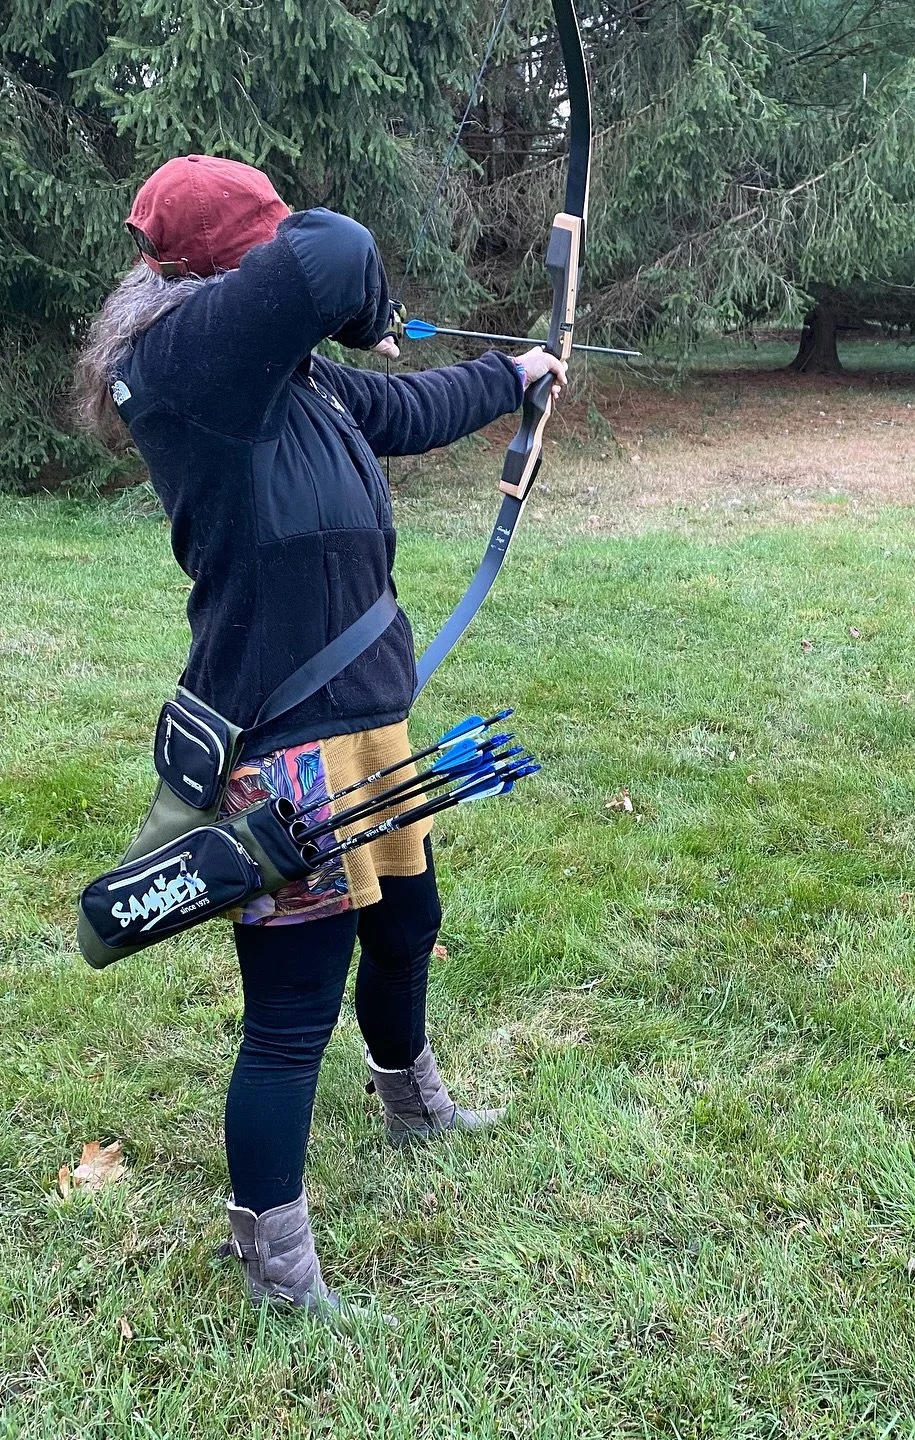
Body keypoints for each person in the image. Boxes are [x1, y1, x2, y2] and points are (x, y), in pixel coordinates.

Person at [73, 154, 566, 1316]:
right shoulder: (185, 365)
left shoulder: (291, 381)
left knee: (406, 929)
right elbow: (338, 252)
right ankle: (276, 1265)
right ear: (233, 270)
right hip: (284, 745)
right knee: (292, 1013)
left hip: (369, 732)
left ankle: (413, 1104)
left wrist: (514, 375)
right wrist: (371, 312)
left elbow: (405, 409)